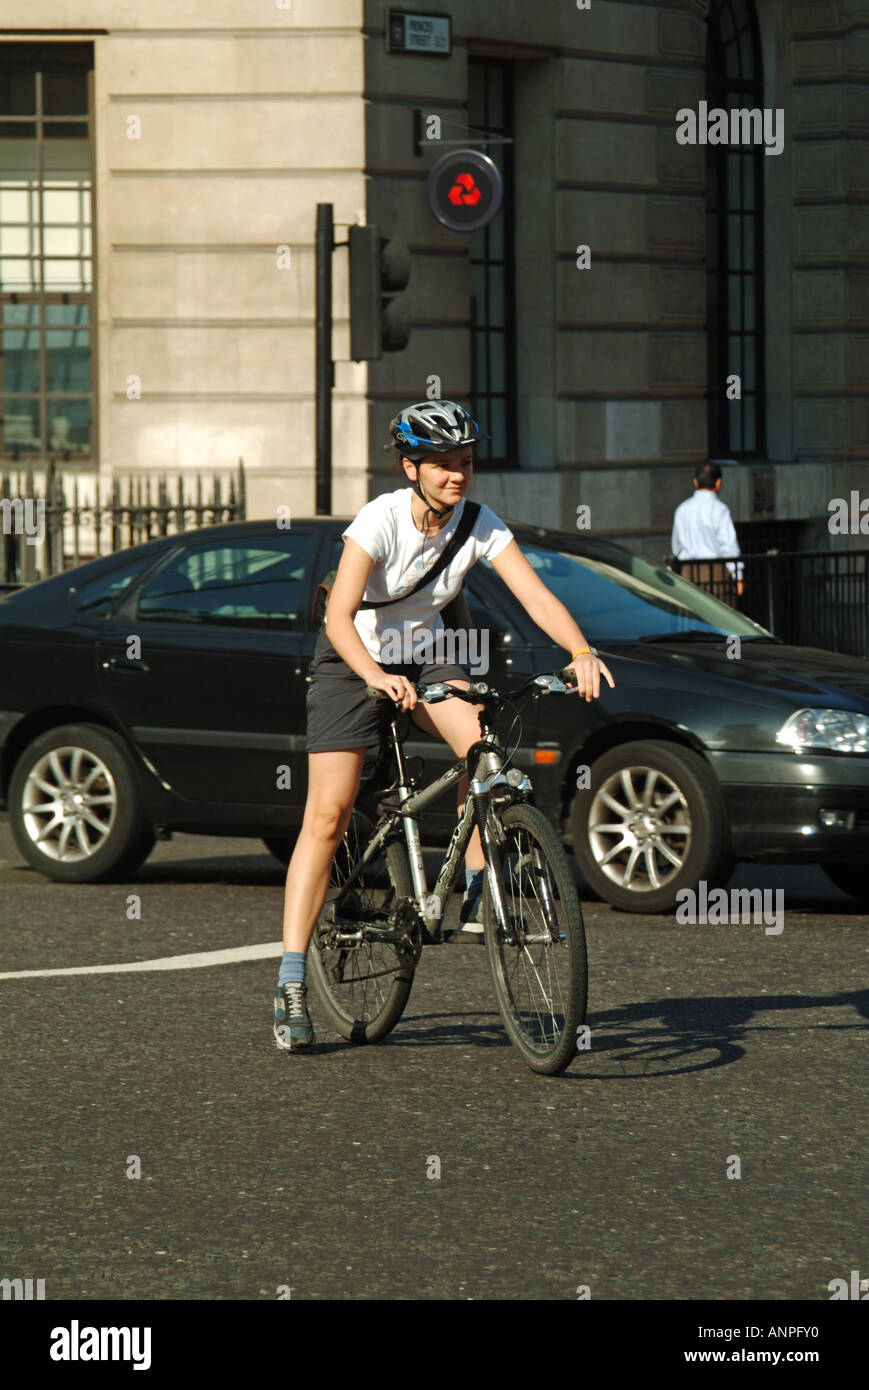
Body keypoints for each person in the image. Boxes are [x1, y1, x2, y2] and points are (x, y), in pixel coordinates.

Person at [274, 399, 615, 1052]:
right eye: (442, 466)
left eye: (464, 463)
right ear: (411, 468)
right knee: (329, 813)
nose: (457, 476)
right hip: (353, 663)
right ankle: (291, 978)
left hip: (425, 660)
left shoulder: (478, 523)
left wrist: (579, 650)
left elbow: (535, 595)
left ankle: (479, 885)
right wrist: (373, 677)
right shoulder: (378, 521)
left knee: (481, 747)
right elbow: (338, 617)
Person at [671, 461, 744, 598]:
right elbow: (729, 546)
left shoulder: (682, 509)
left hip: (688, 571)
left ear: (695, 482)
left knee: (691, 614)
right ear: (718, 483)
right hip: (715, 571)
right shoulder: (719, 509)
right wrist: (737, 575)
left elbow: (676, 547)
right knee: (720, 613)